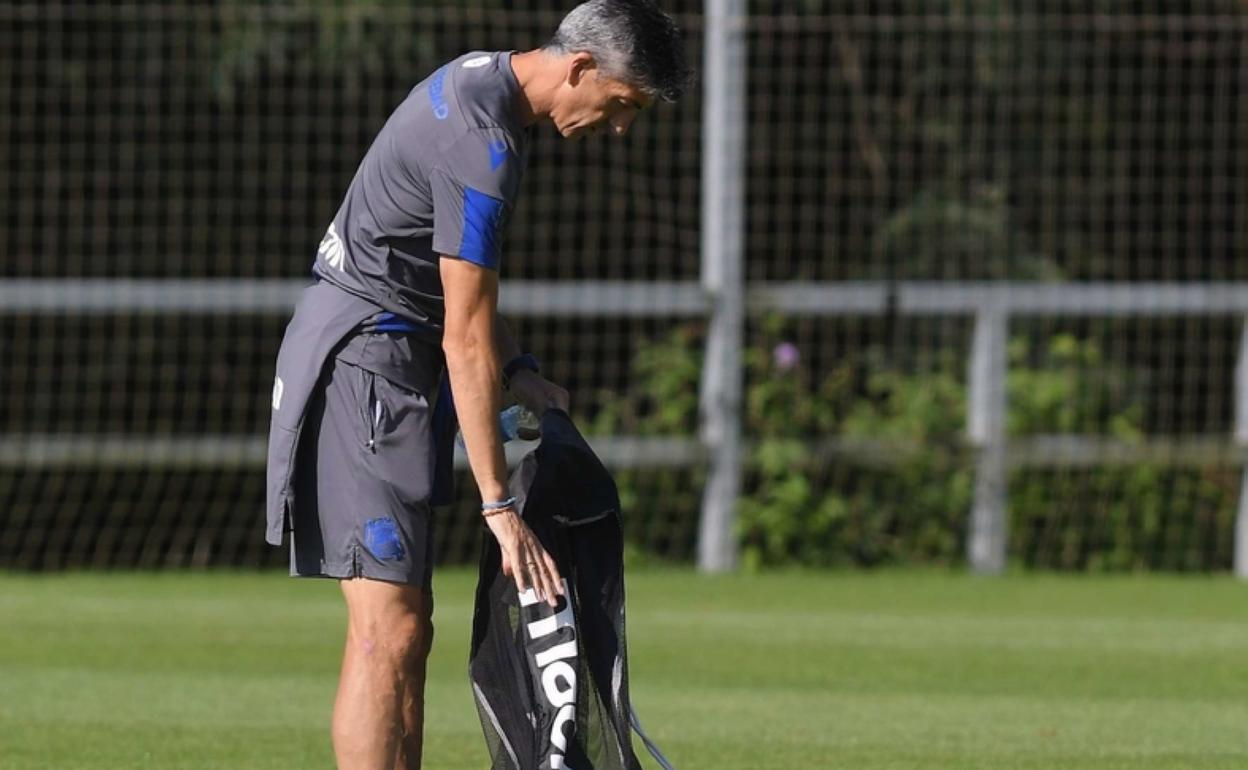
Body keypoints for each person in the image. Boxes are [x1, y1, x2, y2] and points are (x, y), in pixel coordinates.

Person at [263, 2, 691, 768]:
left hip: (392, 364)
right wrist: (499, 506)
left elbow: (470, 300)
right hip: (364, 364)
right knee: (383, 627)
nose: (620, 127)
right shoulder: (484, 145)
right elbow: (463, 334)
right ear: (582, 69)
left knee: (408, 625)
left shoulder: (481, 85)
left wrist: (521, 373)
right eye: (622, 105)